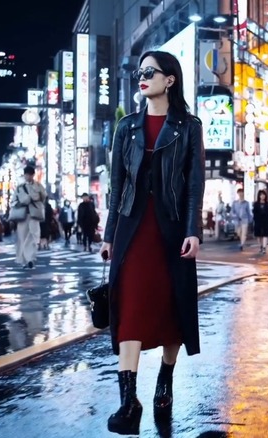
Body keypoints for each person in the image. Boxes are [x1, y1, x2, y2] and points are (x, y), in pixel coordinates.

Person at [100, 50, 205, 435]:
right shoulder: (126, 126)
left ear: (169, 80)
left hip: (172, 226)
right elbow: (117, 187)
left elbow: (194, 186)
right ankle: (129, 402)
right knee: (128, 307)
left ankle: (165, 377)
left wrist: (193, 230)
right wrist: (110, 234)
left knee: (170, 306)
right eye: (139, 72)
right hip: (131, 227)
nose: (141, 77)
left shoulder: (189, 126)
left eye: (149, 72)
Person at [11, 165, 47, 269]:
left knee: (34, 236)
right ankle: (25, 260)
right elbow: (14, 201)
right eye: (26, 174)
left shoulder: (39, 186)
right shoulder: (19, 187)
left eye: (29, 174)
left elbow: (43, 197)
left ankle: (31, 258)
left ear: (33, 175)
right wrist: (22, 201)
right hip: (23, 215)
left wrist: (33, 198)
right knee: (22, 238)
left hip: (34, 214)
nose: (28, 176)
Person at [252, 190, 268, 254]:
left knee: (265, 234)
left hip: (266, 221)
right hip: (258, 221)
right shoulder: (256, 204)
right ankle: (261, 246)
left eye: (263, 195)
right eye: (261, 195)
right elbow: (254, 212)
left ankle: (264, 248)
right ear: (259, 196)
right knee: (258, 235)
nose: (262, 196)